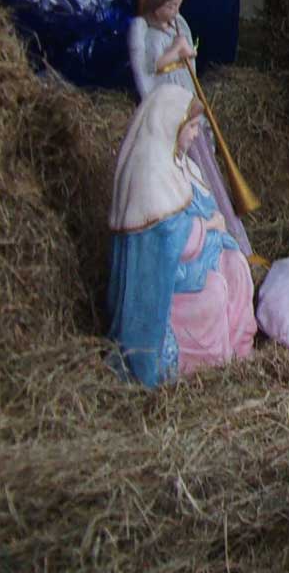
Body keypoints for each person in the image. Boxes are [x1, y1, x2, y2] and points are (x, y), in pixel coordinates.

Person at [106, 87, 257, 388]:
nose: (193, 136)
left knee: (237, 265)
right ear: (169, 124)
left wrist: (213, 228)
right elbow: (171, 239)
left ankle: (240, 355)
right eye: (189, 128)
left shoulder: (178, 161)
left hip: (192, 256)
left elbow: (199, 205)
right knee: (213, 290)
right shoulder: (148, 173)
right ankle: (204, 370)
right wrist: (209, 226)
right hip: (162, 274)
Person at [127, 0, 249, 255]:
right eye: (170, 6)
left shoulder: (175, 27)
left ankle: (228, 229)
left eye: (177, 6)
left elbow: (188, 59)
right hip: (171, 108)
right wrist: (177, 50)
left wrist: (184, 49)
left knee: (206, 166)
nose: (174, 12)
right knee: (190, 167)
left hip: (186, 101)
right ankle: (201, 235)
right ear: (155, 7)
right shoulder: (150, 35)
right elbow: (152, 67)